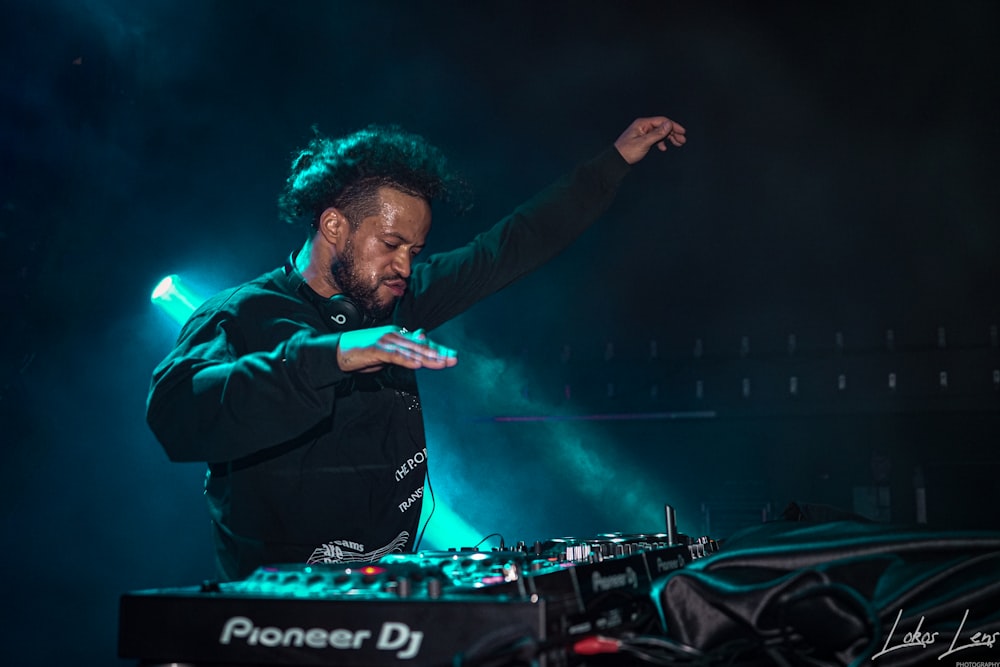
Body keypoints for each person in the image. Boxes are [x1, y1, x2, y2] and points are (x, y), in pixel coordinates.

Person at [146, 115, 687, 580]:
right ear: (334, 224)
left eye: (415, 249)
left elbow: (509, 247)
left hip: (386, 594)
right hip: (277, 617)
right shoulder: (240, 314)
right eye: (389, 244)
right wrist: (332, 354)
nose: (404, 266)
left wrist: (614, 161)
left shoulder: (397, 301)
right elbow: (176, 412)